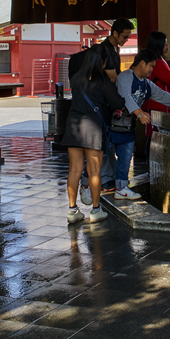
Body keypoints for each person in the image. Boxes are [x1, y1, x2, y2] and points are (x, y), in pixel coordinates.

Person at [61, 46, 122, 224]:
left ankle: (73, 211)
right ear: (102, 62)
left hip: (73, 127)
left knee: (74, 170)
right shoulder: (102, 81)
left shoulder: (76, 79)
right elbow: (117, 101)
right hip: (93, 129)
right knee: (94, 170)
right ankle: (96, 210)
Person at [113, 50, 170, 199]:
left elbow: (162, 95)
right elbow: (124, 95)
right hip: (112, 124)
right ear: (142, 63)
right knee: (105, 156)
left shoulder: (146, 84)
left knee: (125, 156)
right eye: (150, 66)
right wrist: (138, 112)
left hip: (127, 126)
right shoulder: (125, 76)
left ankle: (121, 187)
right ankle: (92, 184)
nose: (151, 70)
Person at [97, 18, 135, 195]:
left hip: (110, 98)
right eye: (124, 36)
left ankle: (110, 177)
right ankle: (105, 178)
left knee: (110, 138)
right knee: (105, 140)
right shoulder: (104, 50)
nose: (126, 40)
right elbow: (112, 76)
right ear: (114, 33)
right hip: (103, 99)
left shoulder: (114, 49)